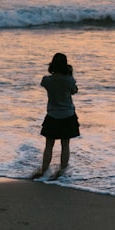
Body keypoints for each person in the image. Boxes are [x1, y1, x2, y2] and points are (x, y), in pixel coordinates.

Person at [32, 52, 80, 180]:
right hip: (67, 115)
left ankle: (44, 170)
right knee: (65, 145)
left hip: (52, 115)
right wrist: (70, 74)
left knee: (49, 145)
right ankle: (62, 172)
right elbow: (74, 91)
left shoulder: (47, 80)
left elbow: (46, 84)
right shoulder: (69, 80)